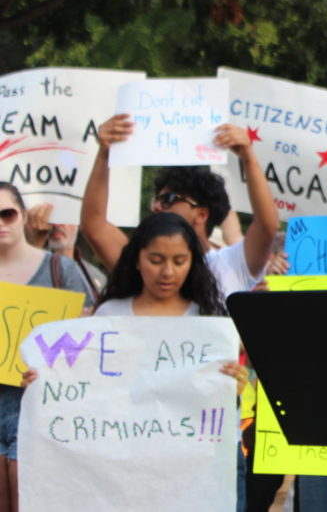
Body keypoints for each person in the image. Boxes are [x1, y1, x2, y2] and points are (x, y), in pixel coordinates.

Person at [23, 212, 250, 509]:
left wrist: (233, 386)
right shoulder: (109, 316)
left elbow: (215, 410)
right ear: (136, 260)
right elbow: (84, 392)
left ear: (192, 262)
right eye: (156, 260)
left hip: (192, 472)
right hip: (124, 471)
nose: (167, 272)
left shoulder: (209, 324)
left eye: (179, 261)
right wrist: (43, 385)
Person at [81, 114, 279, 301]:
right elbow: (95, 227)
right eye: (156, 200)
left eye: (169, 199)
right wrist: (104, 154)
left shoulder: (232, 264)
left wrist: (248, 157)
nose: (157, 207)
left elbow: (267, 226)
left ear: (201, 214)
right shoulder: (140, 263)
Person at [0, 182, 94, 512]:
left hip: (41, 407)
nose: (0, 222)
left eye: (7, 214)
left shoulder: (60, 269)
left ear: (22, 216)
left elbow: (93, 340)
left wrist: (85, 322)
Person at [22, 202, 107, 296]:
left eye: (64, 217)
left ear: (78, 222)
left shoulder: (97, 277)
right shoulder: (23, 267)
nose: (56, 224)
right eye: (50, 218)